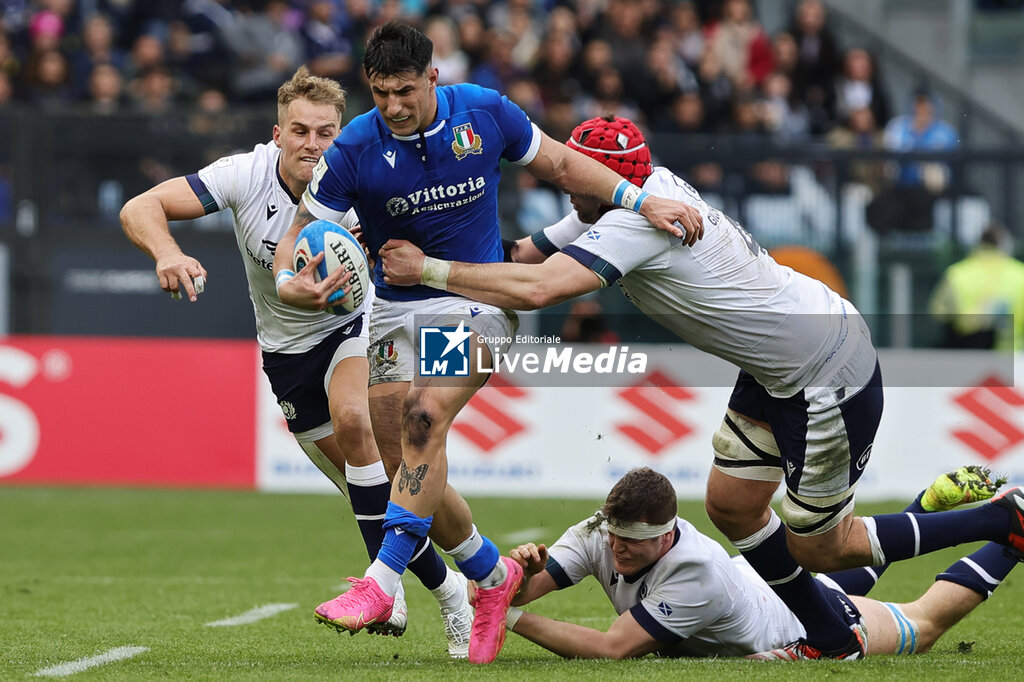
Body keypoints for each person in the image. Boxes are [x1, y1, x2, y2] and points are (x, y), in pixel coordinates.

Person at [378, 114, 1024, 660]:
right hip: (777, 363)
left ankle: (1006, 517)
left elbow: (542, 288)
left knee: (824, 546)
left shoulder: (633, 223)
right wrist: (403, 233)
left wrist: (429, 269)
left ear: (606, 179)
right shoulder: (631, 193)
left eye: (573, 175)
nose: (565, 185)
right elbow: (523, 256)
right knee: (732, 504)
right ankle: (829, 633)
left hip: (823, 367)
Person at [271, 22, 703, 665]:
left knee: (425, 416)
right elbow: (302, 229)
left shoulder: (484, 112)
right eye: (382, 92)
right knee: (408, 465)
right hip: (391, 313)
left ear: (432, 78)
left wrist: (639, 201)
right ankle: (493, 577)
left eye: (405, 91)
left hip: (476, 305)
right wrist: (289, 283)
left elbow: (559, 161)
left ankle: (380, 584)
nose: (393, 106)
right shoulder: (355, 147)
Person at [119, 66, 474, 659]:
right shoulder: (242, 174)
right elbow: (140, 206)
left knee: (360, 424)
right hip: (286, 352)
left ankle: (386, 586)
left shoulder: (365, 170)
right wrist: (168, 253)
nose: (314, 144)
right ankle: (456, 590)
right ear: (277, 133)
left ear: (343, 133)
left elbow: (432, 239)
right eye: (301, 131)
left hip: (361, 327)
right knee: (382, 492)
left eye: (327, 132)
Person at [502, 466, 1019, 660]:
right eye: (613, 538)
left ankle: (1011, 533)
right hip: (769, 583)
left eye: (631, 544)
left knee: (924, 624)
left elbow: (611, 648)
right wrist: (519, 576)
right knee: (844, 565)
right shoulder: (600, 531)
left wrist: (509, 617)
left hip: (806, 626)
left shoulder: (694, 571)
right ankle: (926, 504)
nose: (616, 551)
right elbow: (523, 588)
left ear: (667, 536)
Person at [929, 222, 1024, 351]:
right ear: (1005, 244)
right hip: (1012, 356)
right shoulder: (1020, 274)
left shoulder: (957, 273)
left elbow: (939, 313)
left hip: (968, 354)